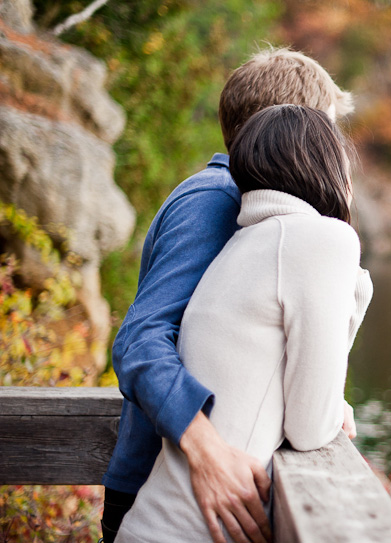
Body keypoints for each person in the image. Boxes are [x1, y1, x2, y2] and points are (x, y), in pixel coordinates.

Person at [102, 49, 355, 543]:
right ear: (291, 128)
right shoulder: (217, 199)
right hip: (173, 488)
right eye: (323, 128)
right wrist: (207, 450)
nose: (332, 148)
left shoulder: (252, 211)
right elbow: (141, 339)